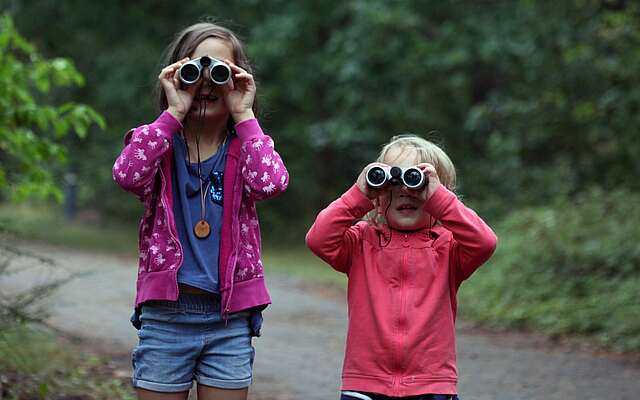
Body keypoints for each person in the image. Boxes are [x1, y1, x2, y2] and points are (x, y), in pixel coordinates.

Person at [112, 21, 289, 400]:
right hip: (166, 315)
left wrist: (244, 115)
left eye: (219, 73)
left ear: (238, 81)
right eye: (194, 71)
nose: (206, 83)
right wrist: (173, 112)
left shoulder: (245, 147)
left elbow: (271, 183)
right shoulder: (158, 143)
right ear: (175, 77)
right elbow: (127, 174)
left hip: (228, 318)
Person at [306, 135, 497, 400]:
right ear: (378, 195)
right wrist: (358, 195)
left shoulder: (448, 247)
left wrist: (439, 199)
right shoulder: (362, 242)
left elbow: (485, 242)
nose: (406, 191)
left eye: (417, 182)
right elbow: (318, 239)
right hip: (366, 381)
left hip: (432, 383)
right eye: (393, 183)